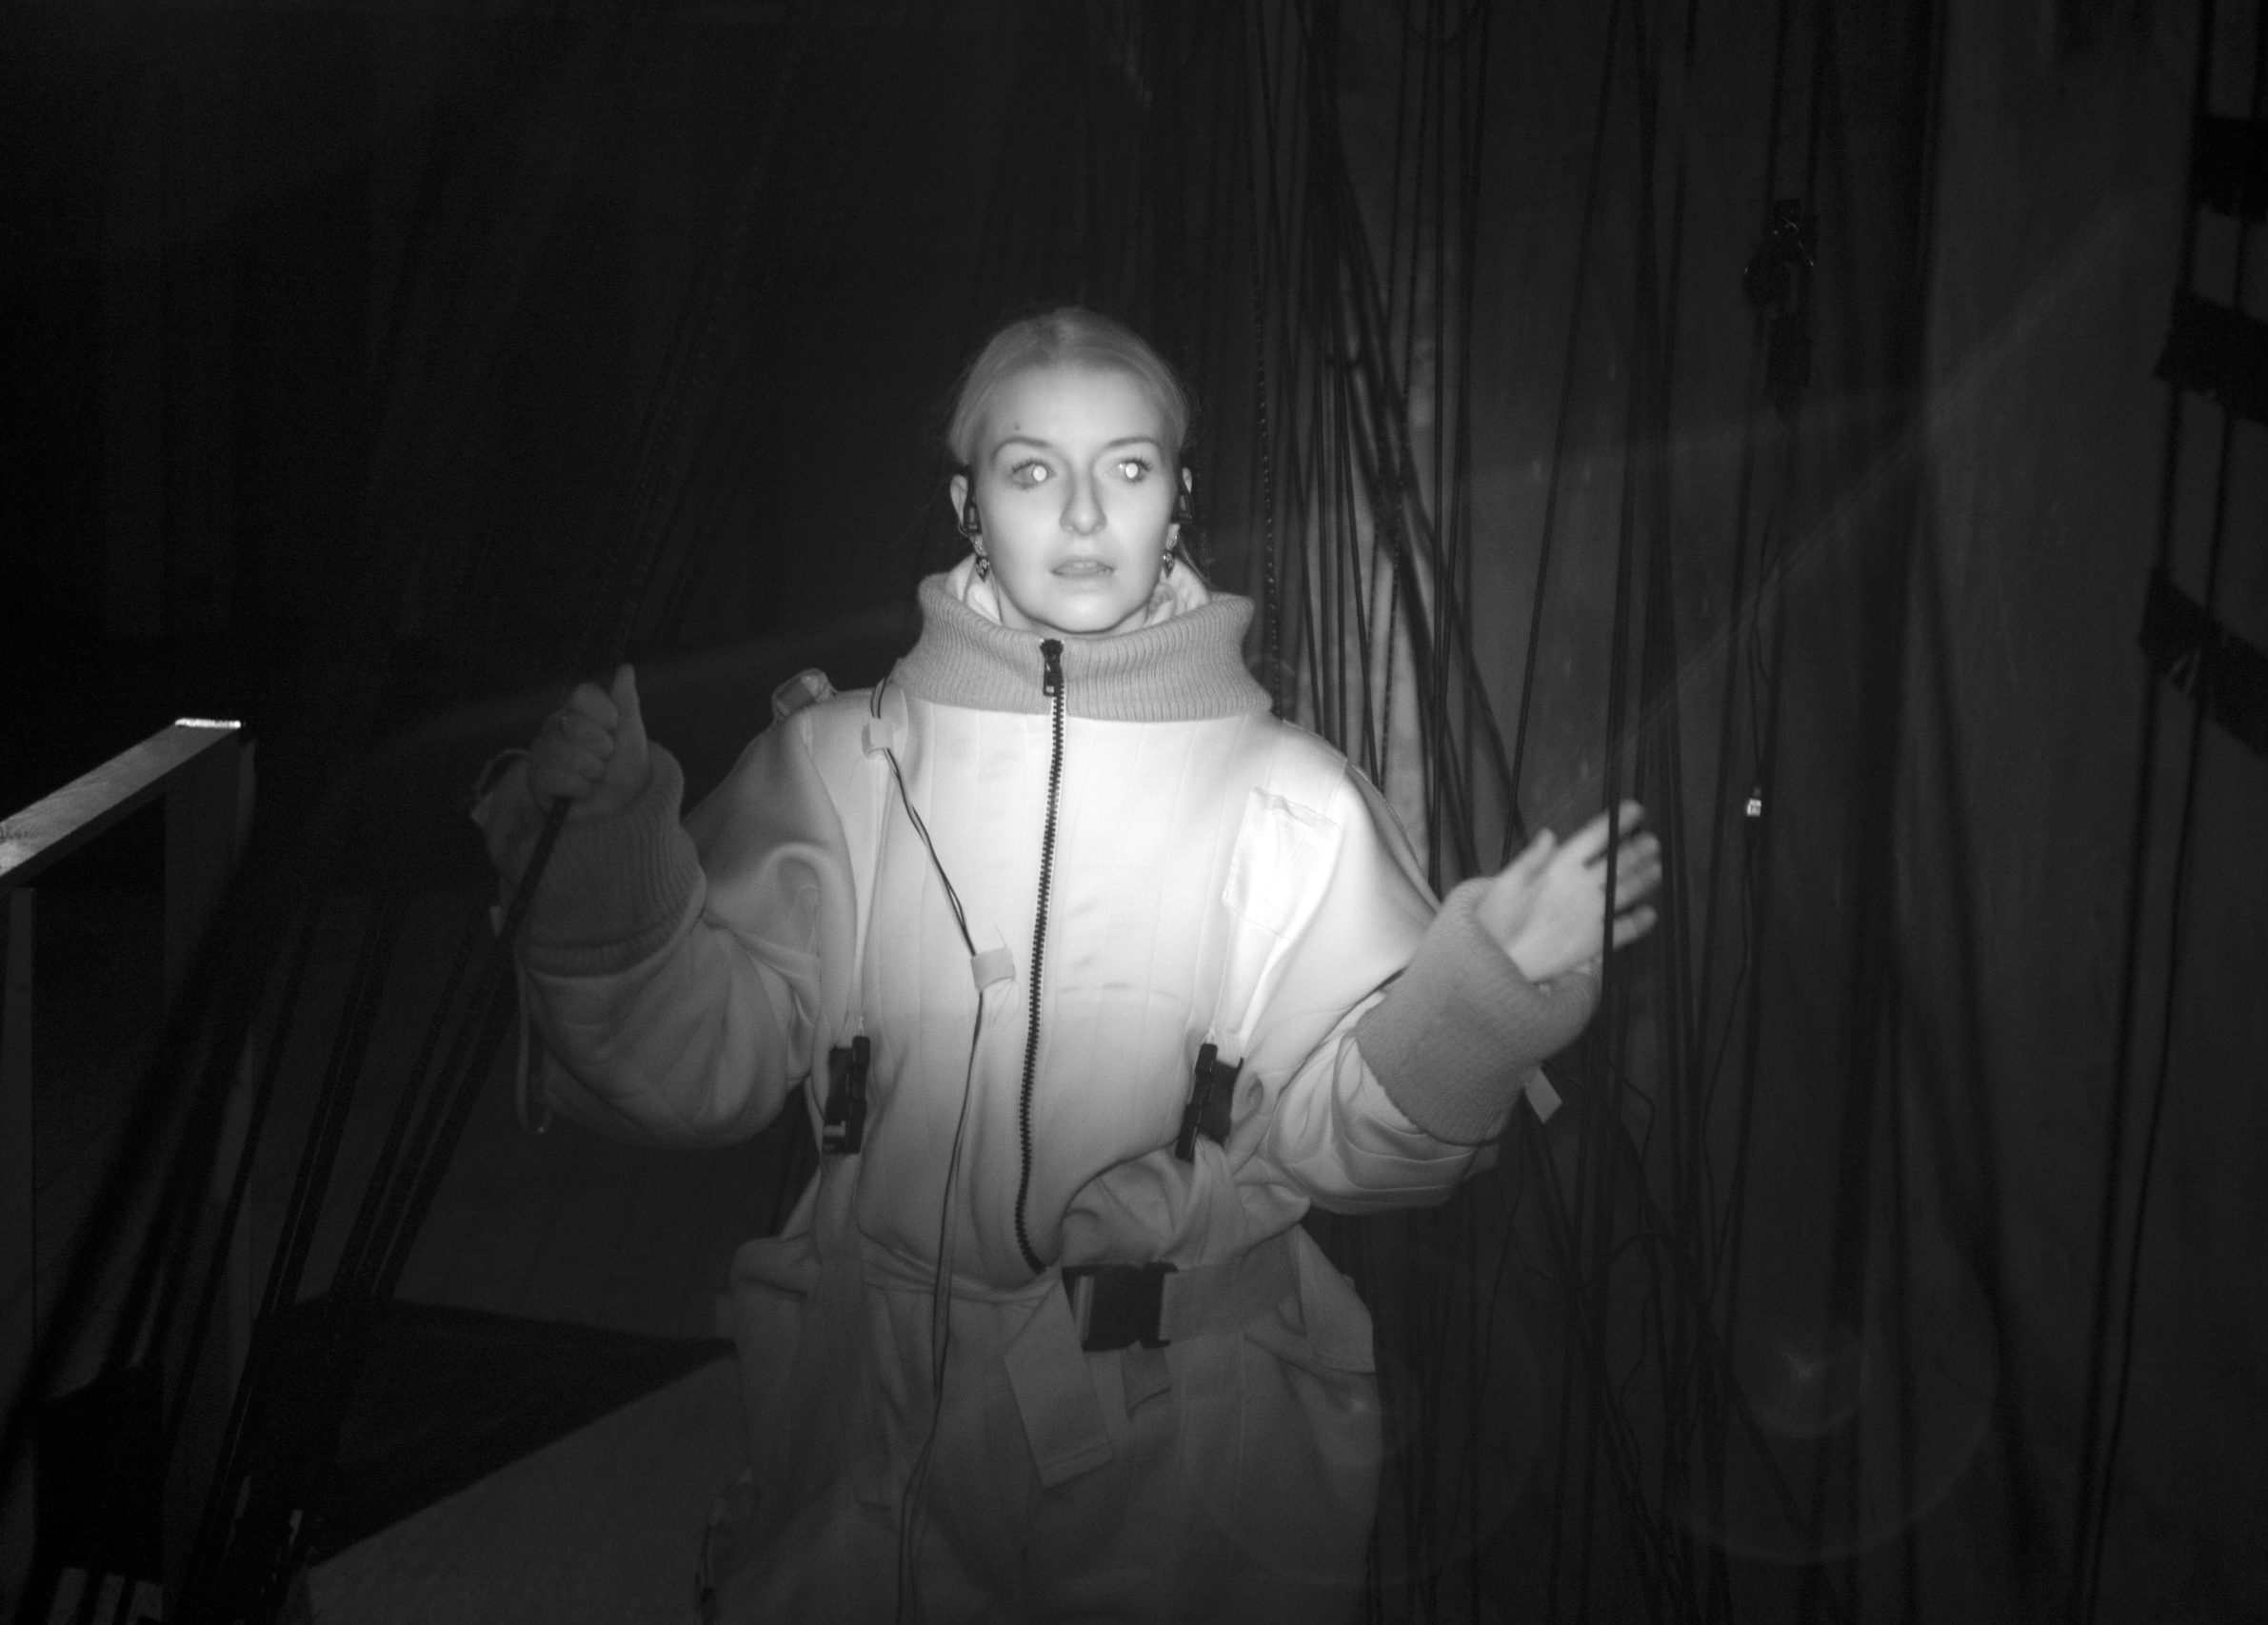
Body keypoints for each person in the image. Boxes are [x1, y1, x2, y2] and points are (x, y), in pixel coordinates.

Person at [472, 307, 1661, 1623]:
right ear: (968, 505)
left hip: (1192, 1450)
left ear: (1180, 497)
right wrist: (604, 857)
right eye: (1033, 469)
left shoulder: (1294, 803)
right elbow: (697, 1068)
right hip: (874, 1430)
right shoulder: (838, 771)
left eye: (1130, 466)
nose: (1086, 513)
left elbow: (1340, 1143)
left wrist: (1477, 1002)